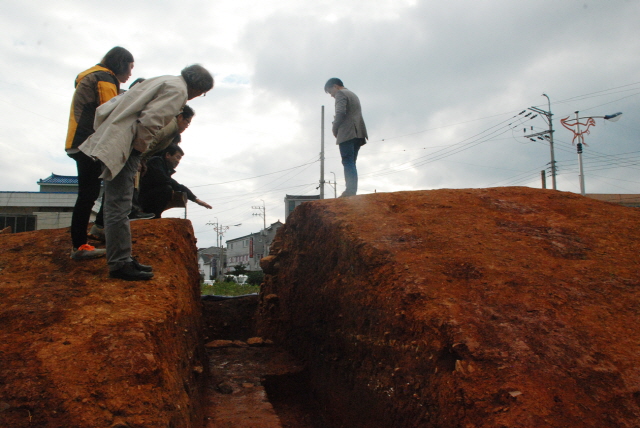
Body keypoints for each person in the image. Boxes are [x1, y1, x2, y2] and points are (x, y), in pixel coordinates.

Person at [79, 64, 214, 281]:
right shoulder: (178, 91)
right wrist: (138, 152)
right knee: (119, 207)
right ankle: (120, 263)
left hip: (118, 137)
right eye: (203, 92)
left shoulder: (164, 79)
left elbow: (114, 104)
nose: (199, 96)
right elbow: (150, 122)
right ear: (198, 87)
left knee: (118, 205)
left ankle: (123, 258)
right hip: (127, 144)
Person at [66, 46, 134, 260]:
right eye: (130, 67)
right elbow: (110, 112)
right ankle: (80, 245)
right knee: (88, 194)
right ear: (121, 64)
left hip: (79, 139)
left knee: (88, 193)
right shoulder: (104, 78)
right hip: (89, 141)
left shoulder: (93, 75)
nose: (130, 73)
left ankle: (84, 240)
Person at [139, 143, 212, 219]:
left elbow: (175, 184)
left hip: (148, 197)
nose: (178, 161)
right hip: (142, 199)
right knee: (167, 189)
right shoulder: (156, 162)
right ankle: (152, 215)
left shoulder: (165, 169)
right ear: (168, 155)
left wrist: (196, 200)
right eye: (177, 157)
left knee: (170, 188)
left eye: (179, 159)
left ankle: (154, 215)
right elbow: (165, 180)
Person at [324, 78, 368, 197]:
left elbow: (340, 113)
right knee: (351, 162)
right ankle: (352, 190)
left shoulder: (341, 94)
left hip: (347, 133)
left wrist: (335, 128)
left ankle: (350, 191)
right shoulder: (353, 94)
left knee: (347, 161)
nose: (332, 95)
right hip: (358, 133)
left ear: (335, 86)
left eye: (330, 92)